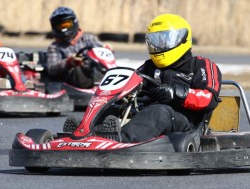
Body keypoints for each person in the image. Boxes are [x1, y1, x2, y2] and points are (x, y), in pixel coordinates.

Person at [95, 13, 222, 143]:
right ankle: (88, 137)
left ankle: (120, 142)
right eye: (156, 41)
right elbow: (132, 82)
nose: (160, 45)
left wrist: (176, 93)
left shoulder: (200, 65)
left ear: (183, 39)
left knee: (159, 111)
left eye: (165, 40)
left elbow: (209, 98)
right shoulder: (149, 66)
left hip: (187, 123)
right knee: (110, 108)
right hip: (150, 116)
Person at [46, 6, 111, 89]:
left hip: (94, 72)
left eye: (66, 25)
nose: (64, 29)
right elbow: (52, 68)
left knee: (99, 64)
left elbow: (102, 52)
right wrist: (69, 62)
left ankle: (112, 86)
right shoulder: (54, 47)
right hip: (73, 83)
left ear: (74, 22)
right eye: (60, 27)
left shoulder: (89, 39)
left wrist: (106, 49)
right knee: (77, 69)